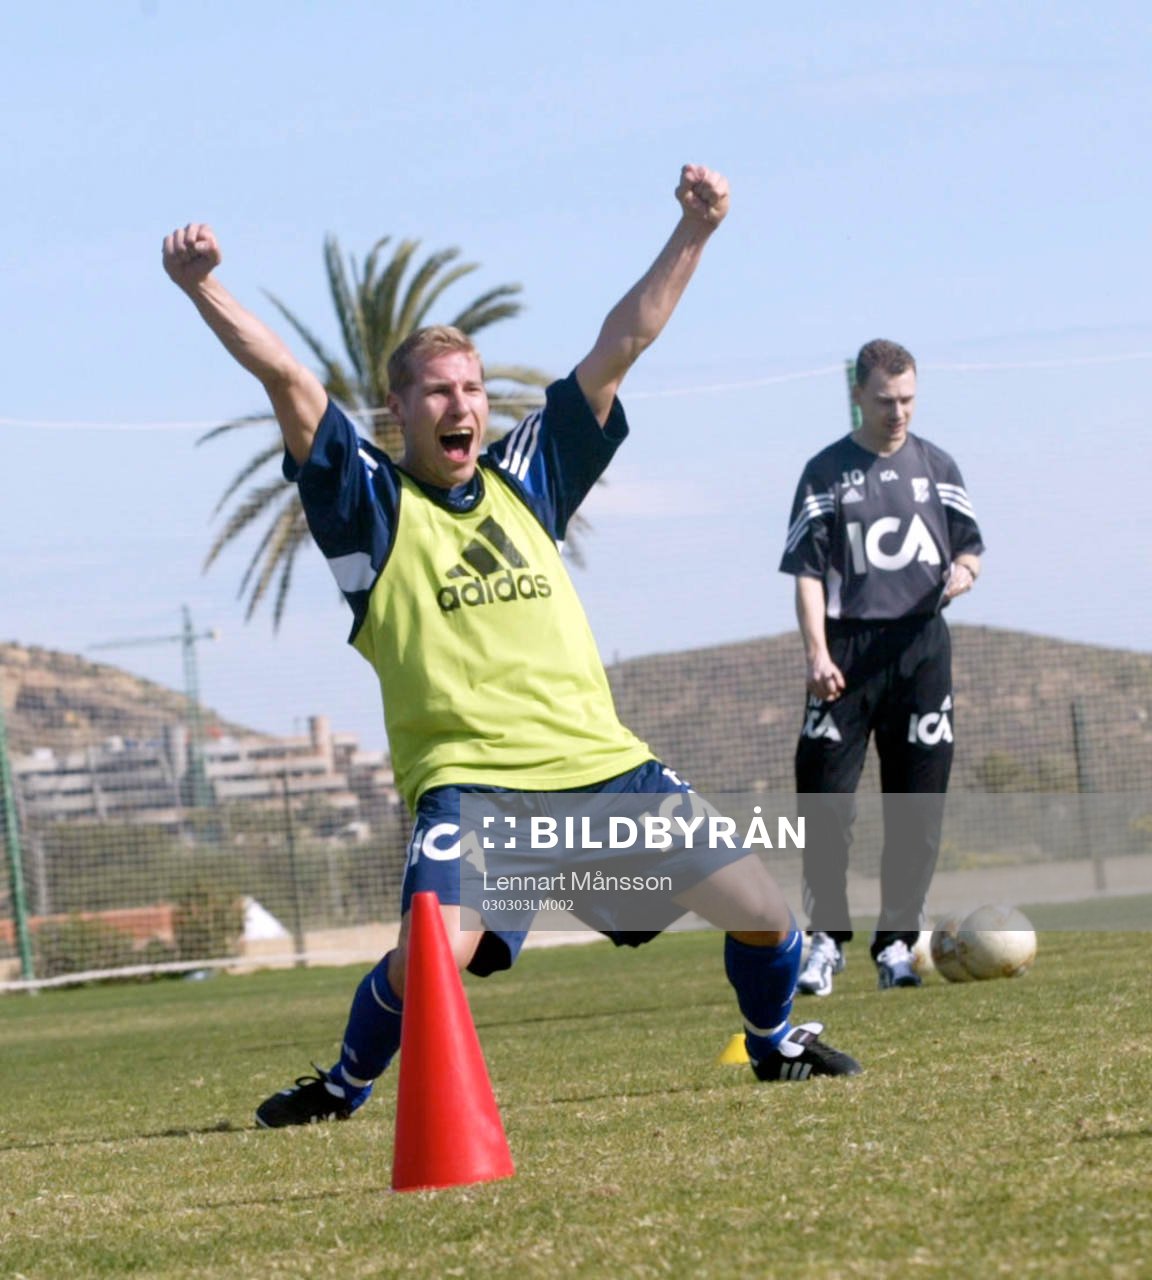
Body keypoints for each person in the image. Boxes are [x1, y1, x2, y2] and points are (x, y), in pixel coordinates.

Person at [163, 166, 861, 1126]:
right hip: (475, 790)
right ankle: (343, 1085)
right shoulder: (368, 506)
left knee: (764, 913)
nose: (461, 405)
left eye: (473, 388)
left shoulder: (529, 476)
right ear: (398, 409)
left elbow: (622, 344)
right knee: (430, 957)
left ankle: (774, 1043)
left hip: (603, 770)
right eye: (437, 391)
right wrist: (203, 286)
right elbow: (289, 380)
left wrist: (695, 231)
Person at [779, 339, 984, 995]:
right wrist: (817, 652)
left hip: (922, 653)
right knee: (824, 803)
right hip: (845, 656)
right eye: (885, 401)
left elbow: (971, 551)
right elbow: (807, 573)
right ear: (858, 397)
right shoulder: (825, 472)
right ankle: (824, 943)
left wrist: (963, 573)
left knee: (916, 809)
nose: (898, 413)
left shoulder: (938, 466)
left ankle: (897, 944)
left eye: (908, 400)